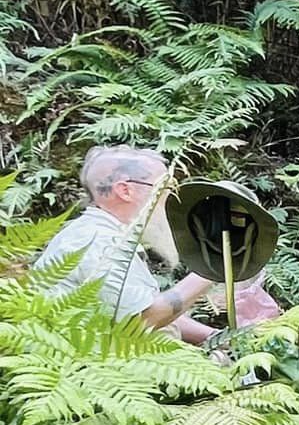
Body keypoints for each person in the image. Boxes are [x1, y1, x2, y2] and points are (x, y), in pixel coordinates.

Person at [34, 146, 218, 345]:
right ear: (125, 191)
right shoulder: (99, 241)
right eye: (166, 186)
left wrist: (214, 337)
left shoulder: (105, 234)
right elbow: (142, 321)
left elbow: (138, 308)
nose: (171, 196)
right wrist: (214, 265)